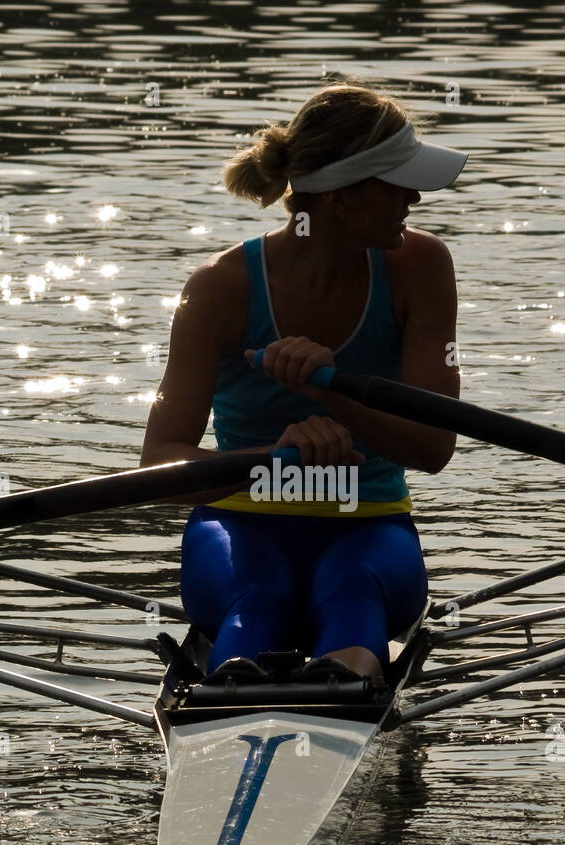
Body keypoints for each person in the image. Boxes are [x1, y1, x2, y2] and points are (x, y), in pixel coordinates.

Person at [141, 81, 465, 684]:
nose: (416, 196)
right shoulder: (220, 287)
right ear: (342, 199)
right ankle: (242, 693)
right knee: (259, 596)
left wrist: (329, 390)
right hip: (240, 521)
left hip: (368, 521)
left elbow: (433, 447)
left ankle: (332, 683)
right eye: (400, 182)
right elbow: (160, 462)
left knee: (352, 589)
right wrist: (270, 460)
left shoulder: (422, 268)